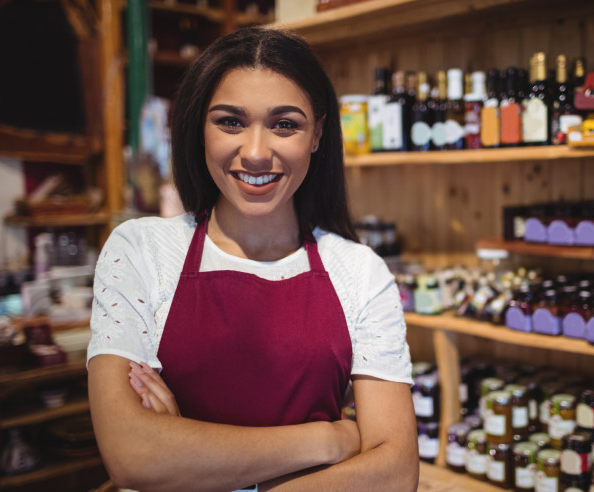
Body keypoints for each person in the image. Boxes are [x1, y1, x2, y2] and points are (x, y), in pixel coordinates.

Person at [87, 26, 419, 492]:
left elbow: (394, 472)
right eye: (230, 122)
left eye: (285, 124)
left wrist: (190, 459)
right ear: (199, 127)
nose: (257, 152)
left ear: (317, 135)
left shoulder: (360, 271)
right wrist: (328, 439)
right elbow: (132, 454)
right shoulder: (141, 250)